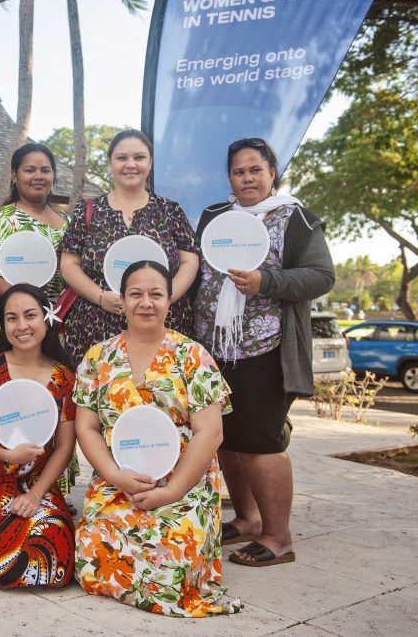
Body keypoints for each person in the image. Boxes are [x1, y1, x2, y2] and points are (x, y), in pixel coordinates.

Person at [192, 138, 334, 567]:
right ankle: (249, 519)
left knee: (260, 442)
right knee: (225, 441)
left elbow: (321, 275)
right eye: (239, 171)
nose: (247, 178)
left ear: (272, 172)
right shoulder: (215, 216)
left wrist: (265, 282)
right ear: (230, 178)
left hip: (265, 349)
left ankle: (277, 536)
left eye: (256, 169)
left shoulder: (297, 218)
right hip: (212, 349)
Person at [74, 261, 242, 617]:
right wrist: (115, 476)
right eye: (136, 294)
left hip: (185, 480)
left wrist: (171, 491)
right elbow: (86, 427)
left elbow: (210, 432)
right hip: (118, 478)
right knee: (91, 555)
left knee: (171, 558)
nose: (145, 303)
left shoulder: (192, 356)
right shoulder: (98, 357)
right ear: (122, 299)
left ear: (170, 300)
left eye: (156, 294)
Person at [0, 284, 76, 588]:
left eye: (30, 315)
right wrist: (8, 455)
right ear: (2, 324)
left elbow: (64, 447)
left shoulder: (63, 378)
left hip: (36, 483)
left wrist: (35, 496)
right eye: (11, 318)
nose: (21, 326)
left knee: (58, 558)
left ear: (46, 319)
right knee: (0, 566)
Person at [59, 129, 199, 364]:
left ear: (150, 162)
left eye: (139, 157)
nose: (131, 164)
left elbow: (189, 260)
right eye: (122, 158)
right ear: (111, 163)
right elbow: (69, 262)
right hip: (96, 328)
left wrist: (166, 297)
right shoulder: (89, 210)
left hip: (162, 326)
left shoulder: (170, 210)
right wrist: (101, 297)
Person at [0, 143, 67, 350]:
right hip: (16, 322)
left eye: (45, 170)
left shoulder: (67, 221)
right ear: (15, 176)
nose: (38, 176)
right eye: (30, 170)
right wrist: (27, 305)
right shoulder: (1, 218)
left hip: (58, 320)